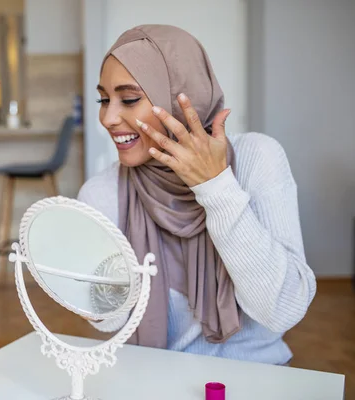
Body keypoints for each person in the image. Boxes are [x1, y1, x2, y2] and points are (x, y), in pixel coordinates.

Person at [77, 25, 316, 365]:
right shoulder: (102, 193)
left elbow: (283, 311)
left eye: (129, 99)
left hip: (259, 377)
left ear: (179, 98)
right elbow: (108, 322)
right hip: (154, 380)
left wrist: (215, 186)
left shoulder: (256, 158)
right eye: (104, 99)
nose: (109, 118)